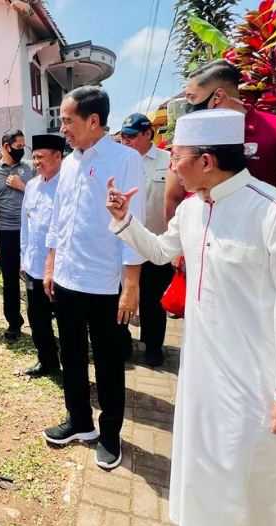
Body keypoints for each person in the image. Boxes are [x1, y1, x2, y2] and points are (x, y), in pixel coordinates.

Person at [107, 108, 276, 526]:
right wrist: (125, 222)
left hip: (258, 370)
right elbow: (162, 251)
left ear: (206, 161)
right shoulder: (191, 209)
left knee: (261, 460)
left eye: (177, 156)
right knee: (207, 455)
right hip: (203, 363)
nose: (170, 165)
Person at [41, 86, 145, 471]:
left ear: (94, 121)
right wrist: (51, 265)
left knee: (108, 363)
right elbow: (59, 219)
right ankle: (80, 421)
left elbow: (134, 225)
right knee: (70, 355)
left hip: (104, 284)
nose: (63, 128)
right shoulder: (70, 162)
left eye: (68, 120)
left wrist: (131, 285)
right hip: (68, 279)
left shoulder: (125, 160)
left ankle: (110, 434)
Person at [165, 59, 276, 226]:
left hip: (259, 236)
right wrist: (178, 240)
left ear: (218, 96)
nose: (189, 107)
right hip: (199, 235)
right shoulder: (188, 135)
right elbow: (173, 196)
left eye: (192, 98)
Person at [120, 113, 173, 367]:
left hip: (155, 243)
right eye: (123, 137)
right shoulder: (120, 161)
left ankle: (153, 346)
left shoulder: (167, 161)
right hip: (125, 241)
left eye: (131, 136)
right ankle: (123, 343)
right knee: (122, 296)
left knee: (153, 300)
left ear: (147, 134)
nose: (126, 141)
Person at [0, 129, 35, 340]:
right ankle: (14, 323)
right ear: (5, 146)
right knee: (10, 281)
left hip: (32, 231)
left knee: (34, 279)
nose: (22, 150)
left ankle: (38, 322)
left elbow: (44, 195)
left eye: (23, 146)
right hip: (7, 233)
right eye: (18, 146)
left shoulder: (31, 168)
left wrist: (23, 186)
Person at [20, 134, 65, 376]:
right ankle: (47, 361)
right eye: (34, 157)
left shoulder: (67, 185)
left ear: (58, 156)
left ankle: (70, 365)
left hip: (61, 269)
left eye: (41, 157)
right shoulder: (32, 186)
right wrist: (23, 259)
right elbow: (26, 226)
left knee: (66, 323)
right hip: (34, 266)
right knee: (37, 319)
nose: (36, 162)